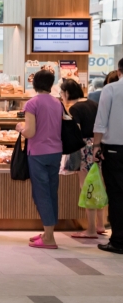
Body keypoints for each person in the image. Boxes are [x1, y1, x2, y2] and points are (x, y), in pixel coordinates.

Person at [16, 70, 63, 249]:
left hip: (38, 153)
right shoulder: (57, 103)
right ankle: (47, 232)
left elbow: (30, 132)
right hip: (55, 152)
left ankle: (49, 237)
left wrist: (20, 127)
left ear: (34, 84)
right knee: (51, 191)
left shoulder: (32, 103)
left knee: (41, 192)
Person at [60, 79, 105, 239]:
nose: (61, 96)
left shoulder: (74, 109)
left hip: (84, 149)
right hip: (98, 147)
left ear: (66, 93)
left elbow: (75, 131)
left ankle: (91, 229)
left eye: (61, 93)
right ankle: (100, 224)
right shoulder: (93, 104)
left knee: (87, 187)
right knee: (97, 184)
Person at [93, 57, 123, 254]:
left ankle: (119, 241)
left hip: (114, 149)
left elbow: (101, 120)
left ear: (119, 71)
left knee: (117, 195)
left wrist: (96, 145)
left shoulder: (111, 89)